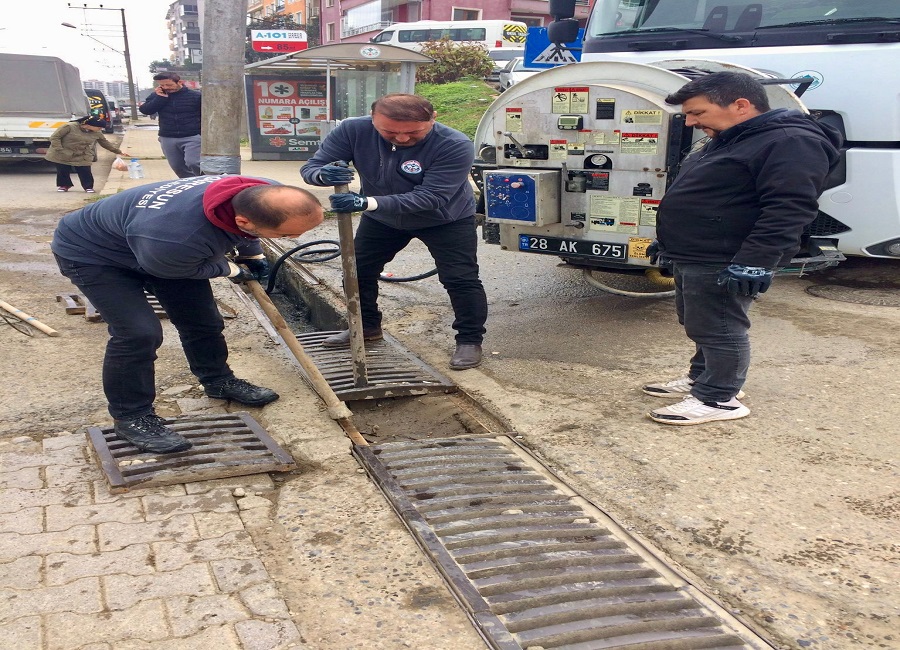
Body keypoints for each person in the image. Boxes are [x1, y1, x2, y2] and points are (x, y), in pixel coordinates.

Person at [52, 176, 324, 453]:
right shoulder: (178, 237)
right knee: (138, 333)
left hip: (154, 244)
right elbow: (178, 268)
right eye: (286, 236)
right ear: (243, 221)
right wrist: (230, 269)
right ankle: (131, 417)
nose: (295, 240)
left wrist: (251, 255)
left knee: (203, 321)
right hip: (95, 255)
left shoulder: (262, 192)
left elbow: (248, 232)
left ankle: (218, 380)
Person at [643, 71, 841, 425]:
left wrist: (755, 262)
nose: (690, 122)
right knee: (697, 321)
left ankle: (719, 398)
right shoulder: (734, 137)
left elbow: (789, 207)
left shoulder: (788, 142)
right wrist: (668, 240)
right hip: (697, 250)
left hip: (727, 255)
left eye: (698, 113)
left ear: (740, 105)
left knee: (719, 326)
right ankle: (702, 377)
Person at [300, 94, 488, 370]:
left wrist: (367, 202)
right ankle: (366, 327)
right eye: (388, 131)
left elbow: (432, 197)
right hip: (384, 219)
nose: (401, 139)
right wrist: (322, 175)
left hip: (446, 219)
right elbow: (312, 167)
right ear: (373, 119)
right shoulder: (354, 130)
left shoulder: (454, 144)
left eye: (413, 133)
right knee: (357, 270)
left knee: (460, 278)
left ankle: (470, 340)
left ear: (433, 118)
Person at [139, 72, 201, 178]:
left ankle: (205, 182)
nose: (166, 88)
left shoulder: (195, 96)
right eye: (162, 85)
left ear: (179, 82)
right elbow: (146, 110)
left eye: (169, 85)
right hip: (168, 136)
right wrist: (160, 98)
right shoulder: (157, 96)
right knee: (178, 167)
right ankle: (191, 186)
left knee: (193, 162)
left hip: (192, 136)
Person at [45, 116, 129, 193]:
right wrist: (59, 149)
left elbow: (104, 143)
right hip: (63, 151)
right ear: (89, 125)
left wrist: (118, 151)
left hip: (82, 153)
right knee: (63, 169)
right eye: (99, 127)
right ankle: (64, 185)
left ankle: (88, 187)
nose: (100, 129)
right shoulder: (70, 127)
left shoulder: (97, 132)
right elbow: (55, 137)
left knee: (85, 169)